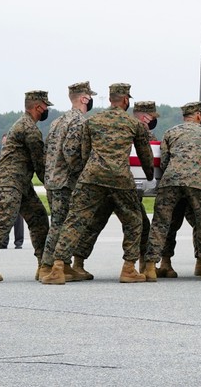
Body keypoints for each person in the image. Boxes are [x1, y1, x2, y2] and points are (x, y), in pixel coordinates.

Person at [42, 83, 153, 285]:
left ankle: (58, 267)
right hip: (120, 178)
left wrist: (90, 171)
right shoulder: (133, 123)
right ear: (126, 100)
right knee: (133, 220)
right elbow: (145, 154)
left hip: (91, 177)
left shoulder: (91, 121)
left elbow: (85, 151)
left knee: (75, 220)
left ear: (110, 99)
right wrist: (149, 174)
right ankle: (129, 268)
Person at [69, 99, 159, 275]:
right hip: (122, 185)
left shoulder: (114, 125)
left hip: (101, 182)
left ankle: (78, 263)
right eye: (153, 117)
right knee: (138, 224)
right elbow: (147, 157)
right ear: (146, 117)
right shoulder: (137, 130)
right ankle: (139, 266)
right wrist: (150, 177)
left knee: (94, 224)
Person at [143, 102, 201, 281]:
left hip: (170, 181)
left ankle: (151, 267)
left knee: (161, 223)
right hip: (196, 182)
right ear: (198, 116)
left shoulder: (171, 132)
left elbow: (164, 161)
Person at [0, 91, 52, 283]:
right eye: (46, 106)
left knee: (39, 218)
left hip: (21, 182)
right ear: (38, 107)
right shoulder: (29, 129)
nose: (47, 110)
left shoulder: (24, 124)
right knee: (6, 220)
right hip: (10, 181)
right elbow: (39, 163)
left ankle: (43, 266)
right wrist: (51, 185)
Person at [38, 81, 96, 282]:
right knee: (61, 225)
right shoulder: (79, 121)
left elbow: (46, 153)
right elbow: (71, 152)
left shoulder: (57, 121)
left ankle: (63, 265)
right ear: (84, 99)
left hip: (53, 180)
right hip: (66, 182)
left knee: (59, 223)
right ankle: (47, 266)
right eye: (89, 97)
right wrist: (82, 173)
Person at [0, 136, 25, 249]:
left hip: (15, 191)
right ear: (1, 142)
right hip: (0, 192)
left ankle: (18, 242)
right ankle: (4, 242)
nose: (5, 143)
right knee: (3, 218)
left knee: (18, 219)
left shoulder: (17, 155)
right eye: (4, 140)